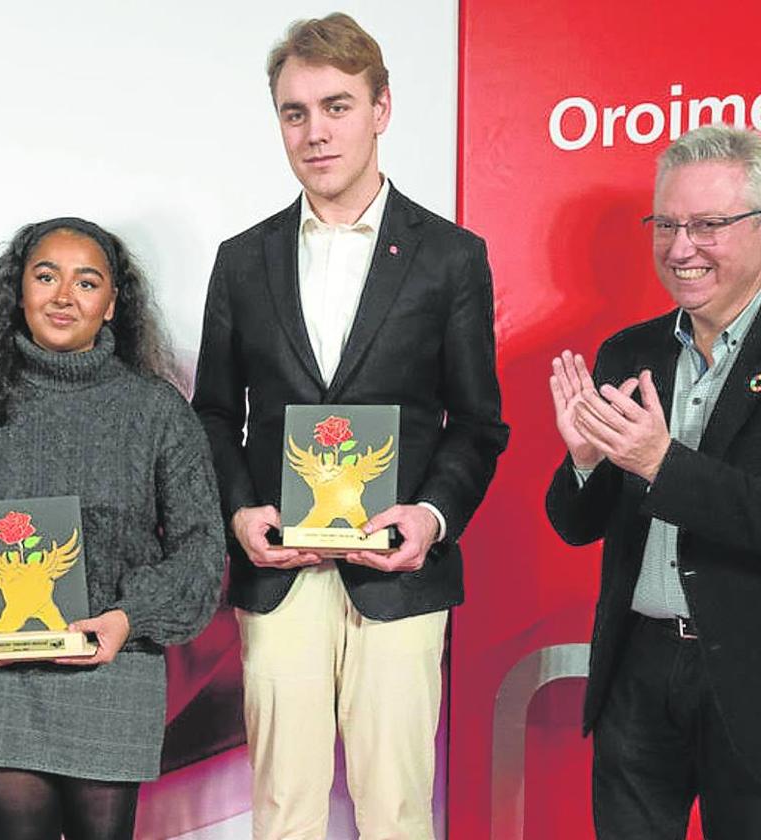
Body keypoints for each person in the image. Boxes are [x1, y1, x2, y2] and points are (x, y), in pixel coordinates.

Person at [192, 13, 508, 840]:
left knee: (396, 809)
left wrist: (430, 518)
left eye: (336, 105)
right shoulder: (241, 258)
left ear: (382, 109)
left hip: (398, 569)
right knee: (284, 810)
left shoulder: (450, 256)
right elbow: (216, 415)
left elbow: (477, 424)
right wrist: (239, 515)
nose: (315, 131)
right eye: (295, 113)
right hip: (279, 565)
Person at [0, 216, 223, 840]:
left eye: (87, 282)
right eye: (46, 276)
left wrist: (128, 619)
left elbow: (202, 551)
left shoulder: (156, 410)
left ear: (113, 304)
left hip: (113, 664)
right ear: (19, 291)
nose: (64, 296)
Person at [546, 124, 761, 838]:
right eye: (666, 224)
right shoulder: (628, 352)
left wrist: (660, 464)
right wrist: (584, 460)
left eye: (708, 226)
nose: (681, 248)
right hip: (638, 670)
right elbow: (578, 525)